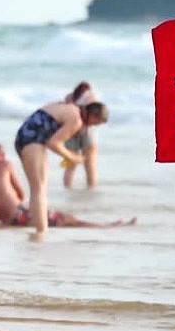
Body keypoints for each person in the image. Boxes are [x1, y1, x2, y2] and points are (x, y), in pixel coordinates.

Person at [0, 144, 131, 228]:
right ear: (2, 155)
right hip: (19, 213)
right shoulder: (6, 165)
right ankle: (105, 226)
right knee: (66, 219)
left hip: (9, 219)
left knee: (64, 221)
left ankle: (105, 225)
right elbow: (20, 193)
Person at [14, 101, 109, 235]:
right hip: (33, 140)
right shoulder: (76, 120)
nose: (92, 126)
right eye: (95, 123)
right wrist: (73, 157)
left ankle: (38, 228)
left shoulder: (70, 107)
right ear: (92, 115)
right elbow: (53, 143)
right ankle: (41, 232)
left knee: (36, 190)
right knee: (39, 190)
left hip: (24, 137)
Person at [62, 81, 100, 189]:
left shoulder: (68, 98)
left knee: (70, 166)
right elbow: (97, 114)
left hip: (70, 132)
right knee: (90, 166)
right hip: (88, 131)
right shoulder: (92, 97)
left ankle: (67, 191)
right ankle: (91, 190)